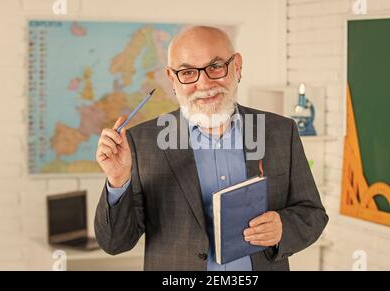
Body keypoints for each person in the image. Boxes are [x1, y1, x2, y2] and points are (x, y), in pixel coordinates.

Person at [94, 26, 328, 271]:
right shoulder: (141, 142)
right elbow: (114, 243)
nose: (204, 83)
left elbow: (313, 214)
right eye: (187, 72)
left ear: (236, 66)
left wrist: (283, 227)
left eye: (215, 67)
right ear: (172, 78)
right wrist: (118, 181)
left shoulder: (280, 132)